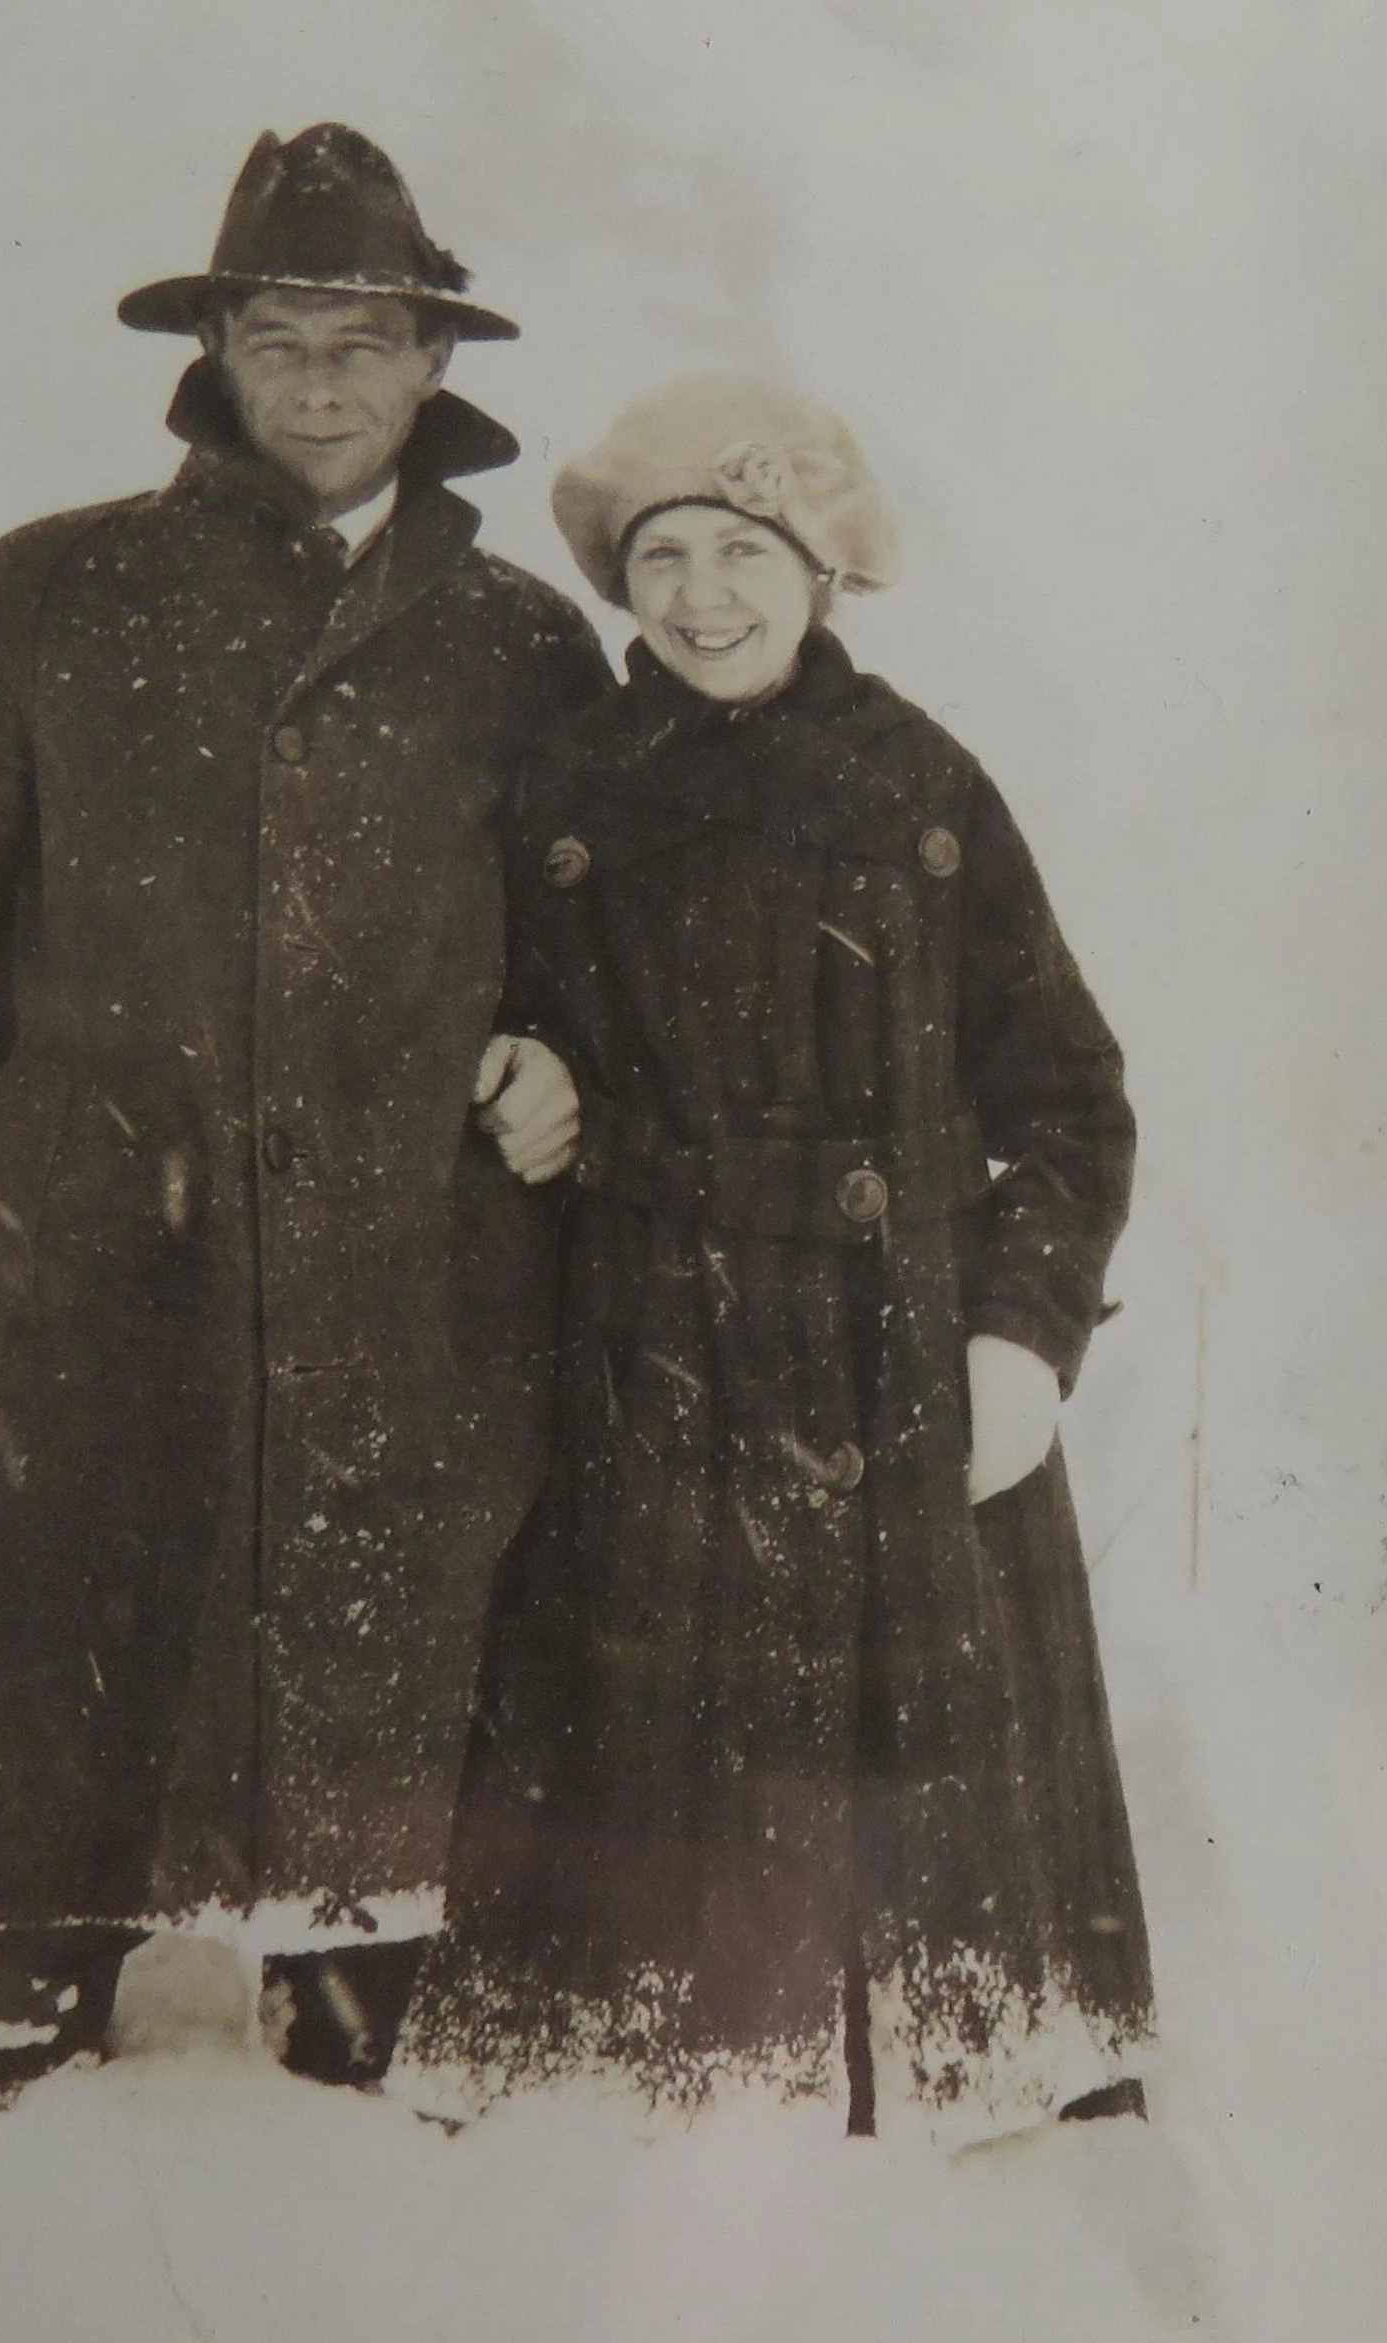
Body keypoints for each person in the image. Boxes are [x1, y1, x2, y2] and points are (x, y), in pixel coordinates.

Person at [0, 124, 610, 2106]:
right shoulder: (53, 596)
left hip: (412, 1274)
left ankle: (360, 1953)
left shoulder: (519, 647)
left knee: (386, 1637)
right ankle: (31, 1962)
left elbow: (604, 951)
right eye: (276, 324)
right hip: (108, 1259)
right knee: (76, 1602)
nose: (321, 371)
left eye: (364, 330)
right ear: (215, 346)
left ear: (432, 364)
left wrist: (560, 1058)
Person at [396, 376, 1156, 2146]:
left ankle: (984, 2083)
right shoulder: (563, 782)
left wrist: (1022, 1340)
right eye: (662, 553)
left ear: (825, 573)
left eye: (747, 548)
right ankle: (657, 2101)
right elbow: (452, 1000)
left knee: (936, 1811)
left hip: (898, 1363)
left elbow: (1069, 1093)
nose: (702, 594)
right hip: (646, 1349)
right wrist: (512, 1065)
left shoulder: (920, 785)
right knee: (641, 1862)